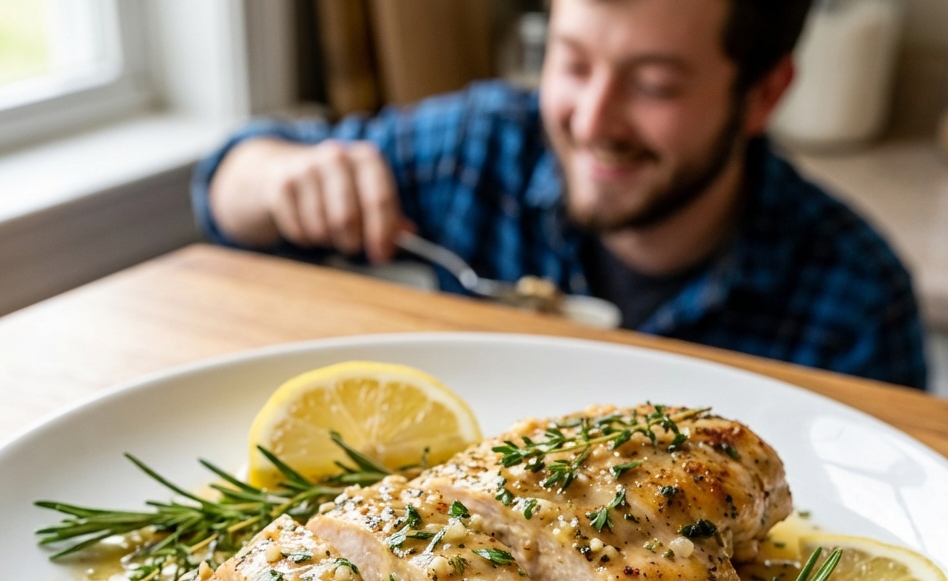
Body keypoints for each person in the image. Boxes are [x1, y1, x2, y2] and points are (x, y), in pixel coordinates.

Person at [193, 0, 927, 389]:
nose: (593, 120)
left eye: (653, 86)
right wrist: (280, 177)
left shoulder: (857, 301)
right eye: (571, 63)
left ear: (763, 94)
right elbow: (225, 187)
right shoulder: (478, 151)